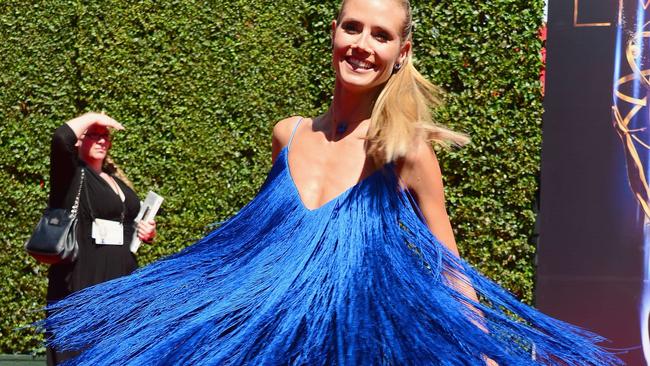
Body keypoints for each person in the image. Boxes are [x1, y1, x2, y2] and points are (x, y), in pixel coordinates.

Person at [42, 0, 621, 364]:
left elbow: (449, 261)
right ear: (334, 33)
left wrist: (482, 351)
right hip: (274, 342)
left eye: (380, 35)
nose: (362, 46)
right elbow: (255, 248)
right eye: (352, 27)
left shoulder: (406, 150)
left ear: (401, 52)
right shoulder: (288, 134)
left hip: (358, 346)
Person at [45, 112, 157, 365]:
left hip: (121, 280)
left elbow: (130, 225)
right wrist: (95, 116)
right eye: (92, 135)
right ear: (79, 141)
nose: (100, 140)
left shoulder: (117, 181)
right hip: (82, 277)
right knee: (78, 350)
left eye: (104, 136)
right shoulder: (72, 175)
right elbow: (60, 138)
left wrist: (147, 232)